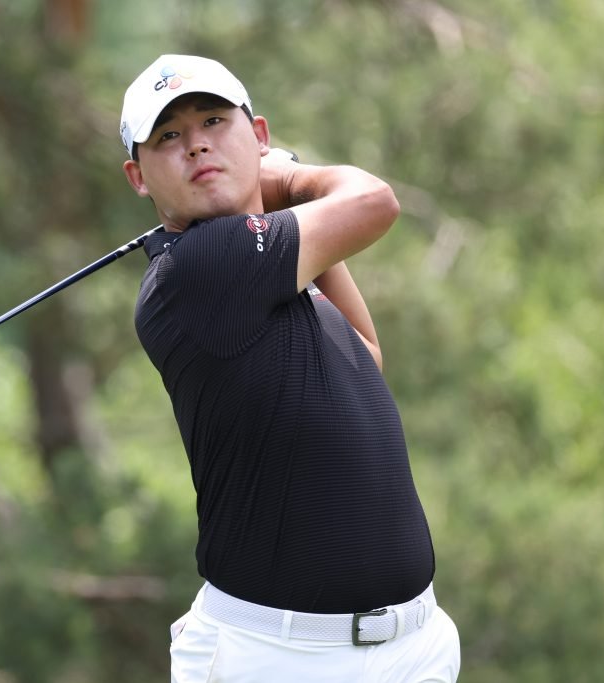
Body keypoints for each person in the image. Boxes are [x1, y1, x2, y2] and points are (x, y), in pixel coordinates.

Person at [119, 54, 460, 682]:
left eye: (215, 122)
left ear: (258, 134)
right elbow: (375, 202)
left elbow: (364, 354)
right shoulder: (202, 267)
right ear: (139, 176)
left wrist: (274, 204)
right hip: (279, 659)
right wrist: (292, 178)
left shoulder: (266, 271)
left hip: (413, 648)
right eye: (169, 136)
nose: (196, 145)